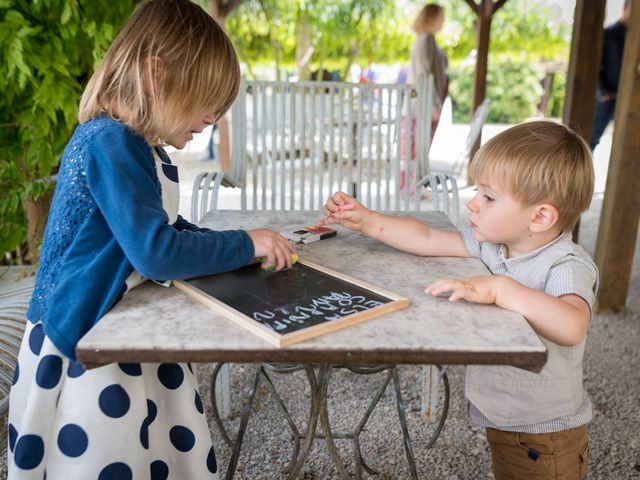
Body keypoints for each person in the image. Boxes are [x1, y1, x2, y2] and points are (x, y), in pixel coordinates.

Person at [7, 1, 294, 478]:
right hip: (81, 344)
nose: (203, 127)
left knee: (147, 447)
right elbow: (155, 252)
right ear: (157, 74)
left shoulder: (137, 144)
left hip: (115, 326)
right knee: (104, 456)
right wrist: (246, 243)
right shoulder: (109, 142)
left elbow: (163, 229)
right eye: (203, 111)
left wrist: (241, 245)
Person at [322, 120, 598, 480]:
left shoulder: (566, 264)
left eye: (488, 196)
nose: (473, 204)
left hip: (546, 434)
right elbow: (427, 239)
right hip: (509, 421)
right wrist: (368, 221)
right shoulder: (496, 245)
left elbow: (572, 324)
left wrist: (499, 288)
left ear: (541, 216)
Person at [401, 2, 449, 191]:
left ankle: (413, 187)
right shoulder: (426, 39)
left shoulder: (425, 39)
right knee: (416, 149)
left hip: (420, 105)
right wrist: (434, 103)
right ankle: (412, 188)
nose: (443, 21)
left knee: (415, 150)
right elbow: (424, 74)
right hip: (421, 106)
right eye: (441, 17)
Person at [590, 0, 631, 150]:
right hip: (607, 96)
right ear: (626, 8)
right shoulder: (609, 34)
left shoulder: (633, 37)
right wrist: (603, 91)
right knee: (591, 138)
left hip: (627, 96)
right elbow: (595, 65)